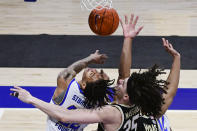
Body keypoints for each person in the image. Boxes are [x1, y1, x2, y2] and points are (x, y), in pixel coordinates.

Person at [10, 14, 180, 131]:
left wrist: (30, 98)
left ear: (126, 97)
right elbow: (168, 93)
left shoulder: (111, 112)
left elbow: (65, 116)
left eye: (122, 84)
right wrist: (177, 59)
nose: (119, 81)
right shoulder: (143, 107)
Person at [12, 49, 114, 131]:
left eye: (92, 74)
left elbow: (71, 70)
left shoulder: (66, 85)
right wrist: (103, 81)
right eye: (96, 73)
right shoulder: (98, 102)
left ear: (84, 84)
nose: (94, 70)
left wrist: (90, 59)